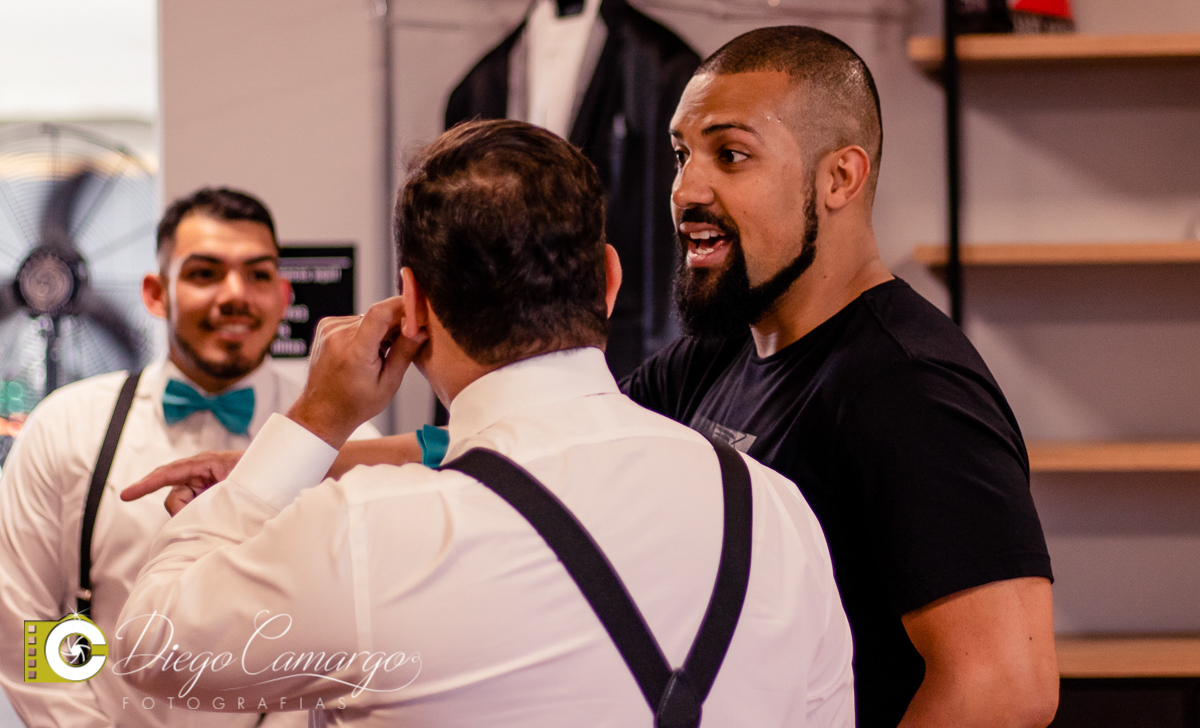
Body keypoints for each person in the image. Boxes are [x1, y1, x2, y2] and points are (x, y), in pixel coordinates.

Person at [114, 120, 855, 726]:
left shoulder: (368, 533)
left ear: (412, 304)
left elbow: (150, 643)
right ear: (608, 279)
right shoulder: (774, 507)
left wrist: (312, 423)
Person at [618, 26, 1059, 728]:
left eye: (730, 155)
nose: (686, 189)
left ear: (839, 179)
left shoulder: (910, 387)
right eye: (682, 155)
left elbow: (1007, 686)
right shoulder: (717, 355)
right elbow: (563, 449)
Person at [0, 188, 377, 728]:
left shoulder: (350, 438)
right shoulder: (67, 426)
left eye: (258, 274)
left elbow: (352, 621)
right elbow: (25, 618)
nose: (235, 295)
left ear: (283, 295)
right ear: (156, 294)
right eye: (205, 273)